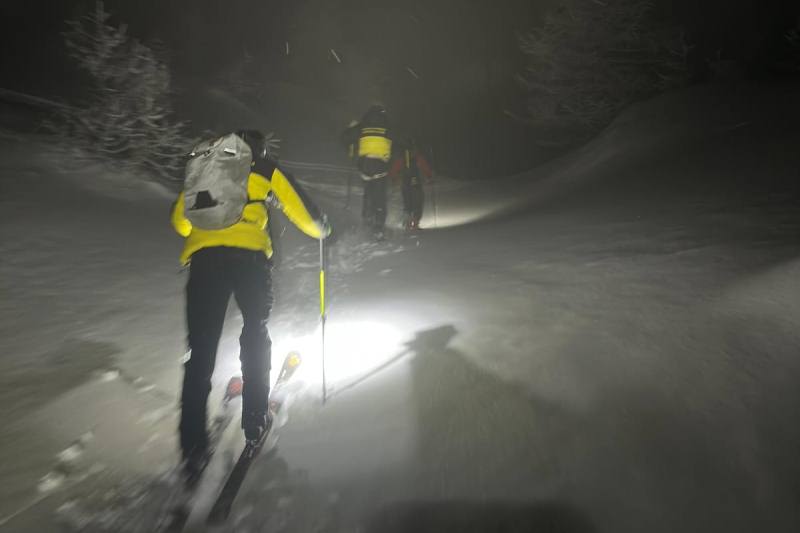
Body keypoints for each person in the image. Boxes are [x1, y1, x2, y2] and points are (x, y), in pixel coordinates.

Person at [171, 129, 330, 476]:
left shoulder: (205, 169)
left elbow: (180, 222)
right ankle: (255, 420)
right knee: (254, 332)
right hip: (249, 261)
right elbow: (304, 213)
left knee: (199, 351)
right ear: (257, 149)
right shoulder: (263, 167)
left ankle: (191, 448)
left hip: (204, 263)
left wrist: (211, 224)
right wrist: (321, 229)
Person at [345, 105, 393, 237]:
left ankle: (367, 218)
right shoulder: (388, 125)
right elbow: (399, 141)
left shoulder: (362, 124)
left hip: (365, 165)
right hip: (381, 165)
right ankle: (378, 226)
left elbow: (345, 138)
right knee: (380, 196)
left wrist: (351, 133)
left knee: (369, 190)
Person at [389, 137, 433, 230]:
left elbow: (394, 170)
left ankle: (408, 223)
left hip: (405, 182)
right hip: (416, 182)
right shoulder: (417, 156)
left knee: (407, 202)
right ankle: (415, 223)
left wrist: (394, 179)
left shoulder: (402, 157)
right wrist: (429, 176)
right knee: (418, 201)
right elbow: (425, 167)